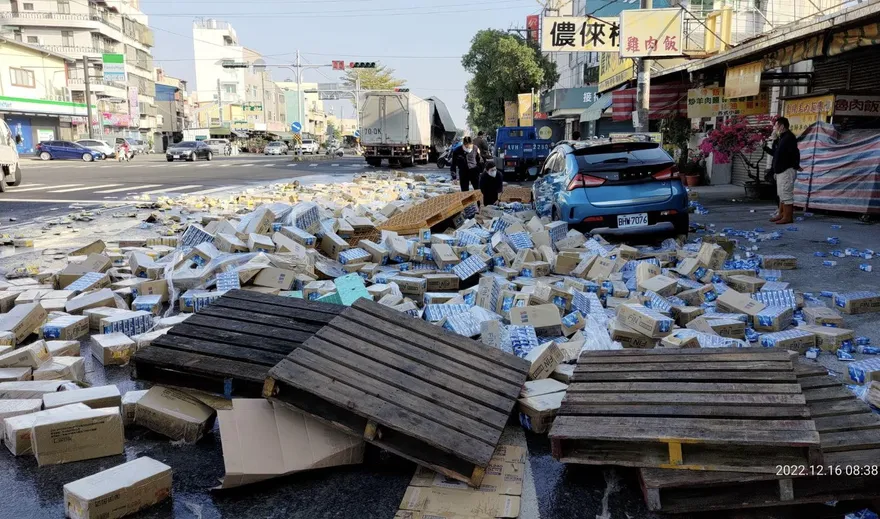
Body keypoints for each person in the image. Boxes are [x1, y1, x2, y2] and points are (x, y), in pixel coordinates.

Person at [763, 117, 800, 225]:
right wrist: (768, 145)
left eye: (776, 125)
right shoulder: (782, 138)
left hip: (786, 170)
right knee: (781, 194)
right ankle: (781, 214)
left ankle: (788, 217)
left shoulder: (789, 138)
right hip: (780, 170)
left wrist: (796, 165)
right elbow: (776, 153)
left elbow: (795, 153)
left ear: (782, 126)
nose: (775, 128)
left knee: (786, 193)